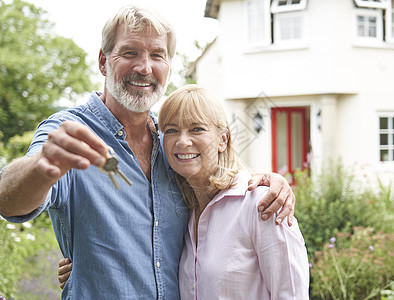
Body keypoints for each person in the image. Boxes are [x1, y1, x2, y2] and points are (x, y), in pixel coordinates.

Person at [0, 5, 295, 299]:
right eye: (130, 53)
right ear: (104, 61)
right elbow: (7, 200)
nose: (145, 67)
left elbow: (221, 186)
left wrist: (268, 182)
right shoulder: (66, 132)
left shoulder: (174, 145)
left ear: (169, 66)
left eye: (157, 55)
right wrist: (42, 166)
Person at [59, 85, 310, 298]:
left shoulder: (263, 204)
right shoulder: (183, 209)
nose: (182, 141)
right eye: (171, 130)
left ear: (223, 139)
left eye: (197, 129)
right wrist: (87, 264)